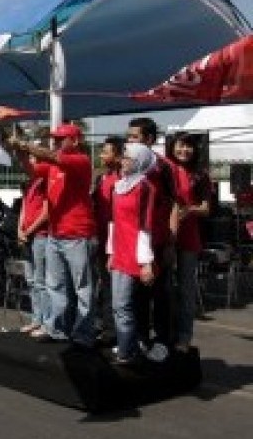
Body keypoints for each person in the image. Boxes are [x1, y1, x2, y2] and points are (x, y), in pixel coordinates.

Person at [6, 123, 97, 347]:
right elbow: (33, 171)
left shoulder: (80, 161)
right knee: (54, 284)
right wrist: (20, 153)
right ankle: (57, 328)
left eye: (60, 138)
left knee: (82, 286)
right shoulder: (53, 165)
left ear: (75, 141)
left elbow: (51, 157)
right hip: (56, 234)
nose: (55, 142)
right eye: (54, 139)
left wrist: (24, 145)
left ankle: (84, 332)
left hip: (77, 233)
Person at [126, 117, 178, 353]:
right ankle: (140, 337)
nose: (129, 141)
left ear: (149, 139)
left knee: (160, 294)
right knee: (137, 294)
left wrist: (169, 243)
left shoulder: (164, 167)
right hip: (134, 242)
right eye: (128, 136)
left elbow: (175, 204)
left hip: (157, 242)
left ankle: (163, 341)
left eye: (134, 137)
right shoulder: (128, 165)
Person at [107, 142, 158, 364]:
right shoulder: (118, 186)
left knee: (123, 304)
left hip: (134, 253)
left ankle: (127, 350)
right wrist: (110, 252)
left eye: (127, 157)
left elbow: (146, 226)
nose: (123, 160)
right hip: (120, 251)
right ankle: (127, 344)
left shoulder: (145, 187)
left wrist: (146, 261)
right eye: (124, 157)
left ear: (139, 162)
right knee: (119, 305)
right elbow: (113, 222)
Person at [166, 131, 211, 353]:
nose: (184, 150)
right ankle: (165, 333)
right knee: (164, 288)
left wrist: (189, 210)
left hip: (189, 238)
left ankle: (184, 336)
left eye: (189, 146)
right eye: (180, 146)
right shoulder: (165, 169)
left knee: (185, 290)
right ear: (172, 147)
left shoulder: (200, 175)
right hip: (165, 235)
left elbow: (206, 208)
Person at [91, 135, 124, 343]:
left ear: (118, 155)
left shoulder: (123, 180)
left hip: (117, 240)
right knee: (103, 283)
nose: (102, 155)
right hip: (101, 238)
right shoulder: (101, 178)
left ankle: (113, 330)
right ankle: (103, 323)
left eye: (106, 151)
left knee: (114, 286)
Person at [17, 169, 49, 335]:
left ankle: (45, 321)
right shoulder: (30, 183)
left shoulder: (44, 182)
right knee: (30, 280)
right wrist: (19, 229)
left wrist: (28, 230)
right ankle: (36, 319)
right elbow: (24, 207)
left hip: (40, 235)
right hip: (28, 236)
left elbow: (46, 212)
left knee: (40, 280)